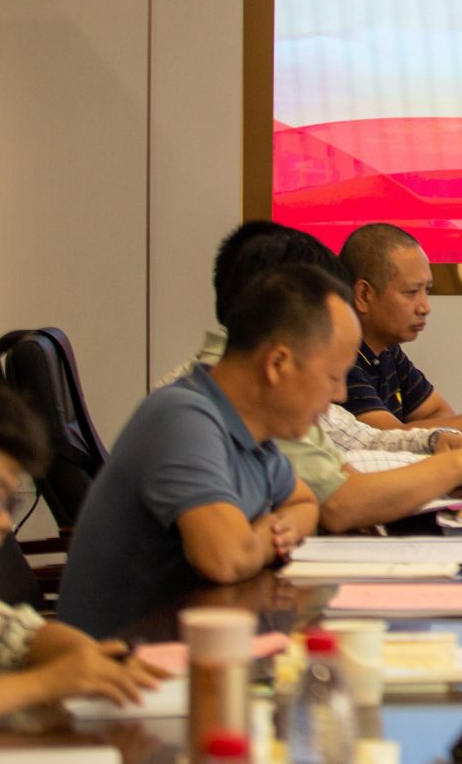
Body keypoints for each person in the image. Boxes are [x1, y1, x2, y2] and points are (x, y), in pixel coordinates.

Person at [58, 266, 342, 636]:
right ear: (277, 364)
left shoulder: (253, 434)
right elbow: (226, 559)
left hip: (193, 646)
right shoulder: (182, 418)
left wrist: (266, 531)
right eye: (333, 377)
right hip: (121, 661)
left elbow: (304, 503)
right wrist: (268, 540)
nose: (340, 395)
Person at [186, 224, 462, 533]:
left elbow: (363, 444)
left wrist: (437, 443)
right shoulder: (205, 406)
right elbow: (336, 504)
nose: (339, 393)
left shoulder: (255, 383)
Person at [0, 373, 164, 730]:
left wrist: (91, 659)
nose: (3, 523)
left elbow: (24, 636)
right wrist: (46, 682)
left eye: (8, 503)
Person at [339, 223, 462, 436]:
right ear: (364, 295)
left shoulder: (387, 351)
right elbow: (389, 439)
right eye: (411, 292)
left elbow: (440, 414)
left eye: (427, 290)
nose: (425, 307)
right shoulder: (340, 359)